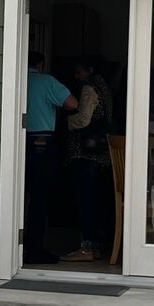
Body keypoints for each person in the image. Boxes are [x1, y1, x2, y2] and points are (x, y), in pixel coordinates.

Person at [24, 52, 77, 263]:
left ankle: (16, 245)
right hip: (42, 142)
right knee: (40, 198)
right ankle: (34, 250)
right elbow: (72, 103)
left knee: (19, 196)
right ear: (40, 64)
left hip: (18, 142)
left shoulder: (16, 79)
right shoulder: (46, 81)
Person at [63, 57, 113, 262]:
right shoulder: (105, 88)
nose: (77, 76)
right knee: (96, 200)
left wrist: (66, 121)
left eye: (79, 72)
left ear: (89, 71)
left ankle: (87, 247)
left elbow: (83, 119)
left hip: (85, 154)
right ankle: (97, 246)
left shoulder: (89, 88)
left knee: (86, 201)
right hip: (101, 155)